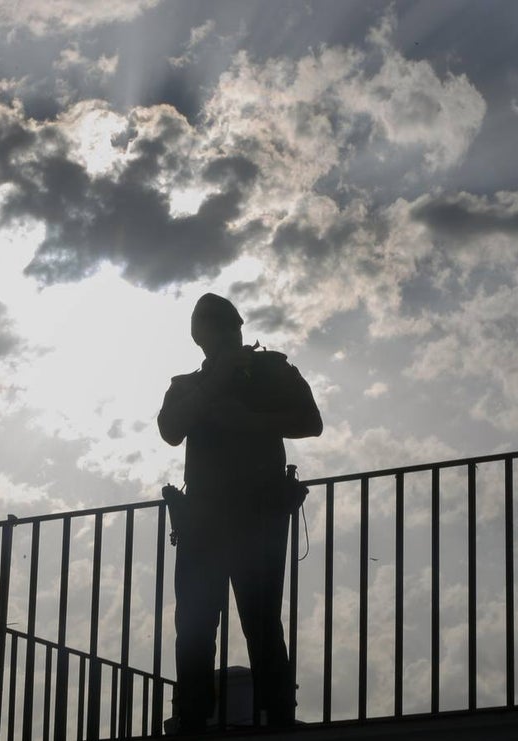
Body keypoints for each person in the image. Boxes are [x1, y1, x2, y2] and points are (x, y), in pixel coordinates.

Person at [158, 293, 323, 733]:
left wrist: (248, 419)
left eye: (229, 328)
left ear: (239, 328)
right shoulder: (188, 385)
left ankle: (277, 717)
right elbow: (171, 430)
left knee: (262, 622)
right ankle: (194, 718)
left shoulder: (270, 371)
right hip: (204, 521)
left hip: (257, 515)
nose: (225, 336)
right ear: (201, 337)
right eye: (215, 330)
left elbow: (310, 420)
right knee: (194, 626)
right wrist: (216, 382)